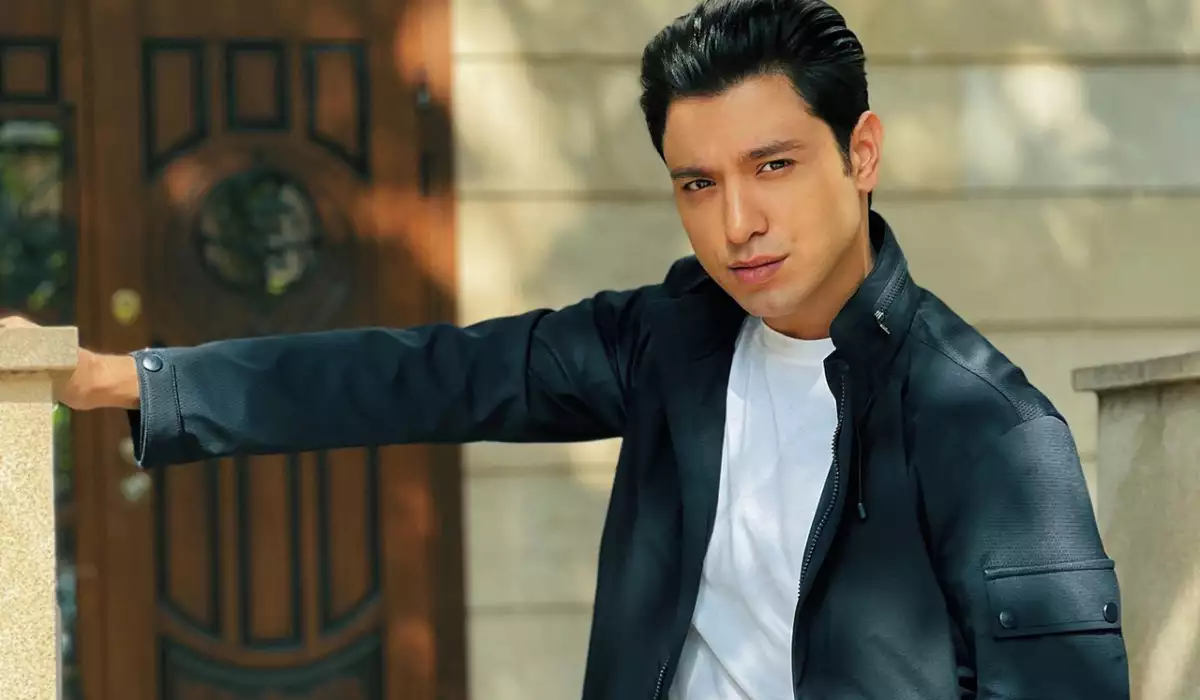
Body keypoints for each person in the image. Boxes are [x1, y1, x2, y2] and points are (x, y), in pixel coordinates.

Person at [2, 0, 1130, 698]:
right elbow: (424, 374)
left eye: (774, 166)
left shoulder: (991, 431)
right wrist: (119, 379)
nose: (738, 221)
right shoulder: (671, 343)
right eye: (698, 183)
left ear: (862, 153)